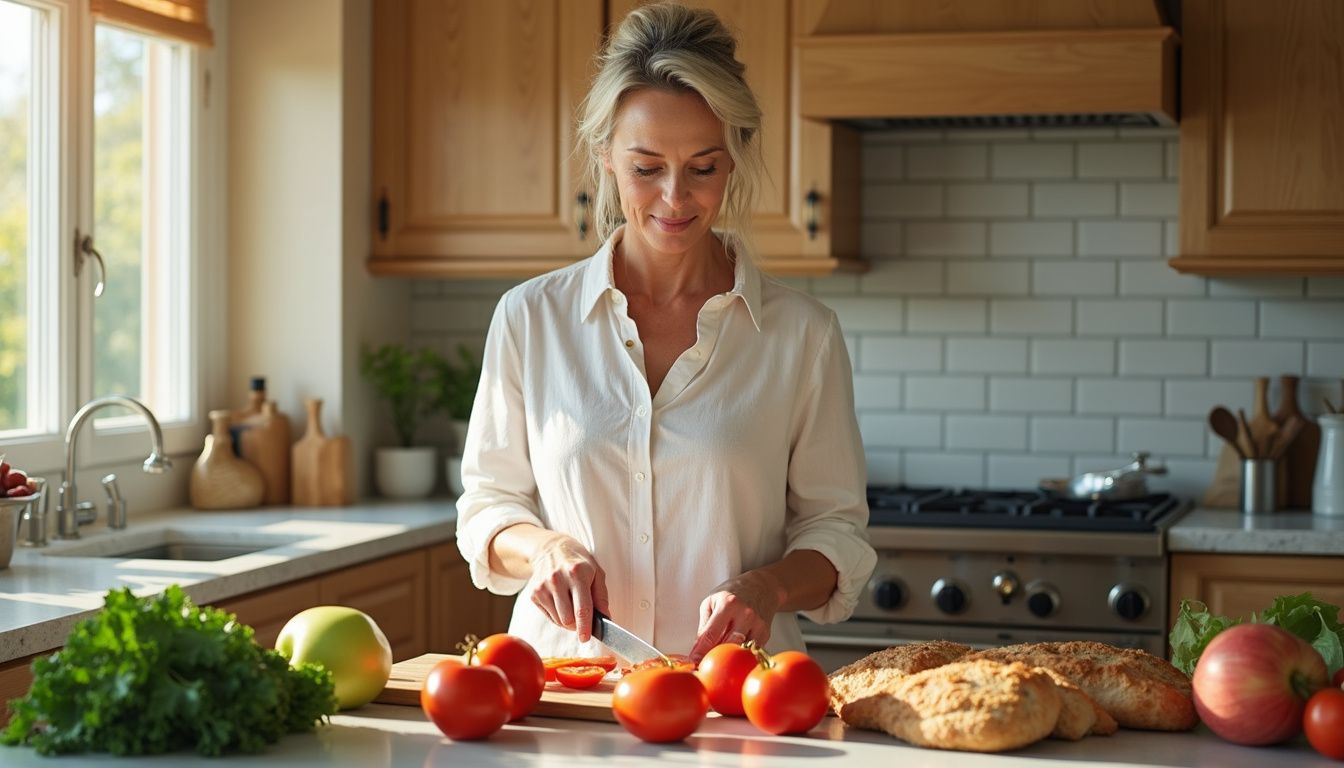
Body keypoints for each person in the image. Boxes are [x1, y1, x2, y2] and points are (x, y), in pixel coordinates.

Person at [454, 2, 875, 663]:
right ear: (607, 160)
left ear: (732, 160)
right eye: (646, 167)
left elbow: (837, 532)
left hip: (735, 700)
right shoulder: (530, 319)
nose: (676, 200)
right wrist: (547, 549)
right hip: (570, 692)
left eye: (703, 167)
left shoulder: (803, 336)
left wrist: (767, 585)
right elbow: (486, 504)